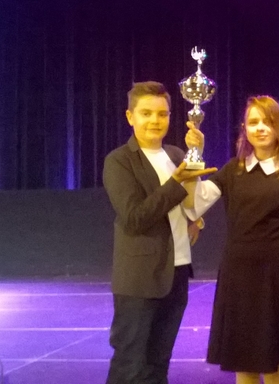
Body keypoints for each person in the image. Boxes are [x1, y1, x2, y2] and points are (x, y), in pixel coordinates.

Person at [184, 95, 279, 384]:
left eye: (268, 122)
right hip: (237, 276)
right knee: (244, 362)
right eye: (254, 122)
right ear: (245, 129)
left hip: (274, 278)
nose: (261, 128)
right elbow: (194, 205)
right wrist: (195, 155)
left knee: (274, 363)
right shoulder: (233, 170)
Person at [103, 81, 216, 384]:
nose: (155, 120)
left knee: (158, 365)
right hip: (139, 279)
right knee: (129, 366)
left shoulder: (177, 154)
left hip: (175, 273)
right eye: (146, 113)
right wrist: (176, 183)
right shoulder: (119, 161)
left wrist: (196, 219)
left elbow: (188, 203)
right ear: (130, 117)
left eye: (162, 114)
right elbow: (134, 218)